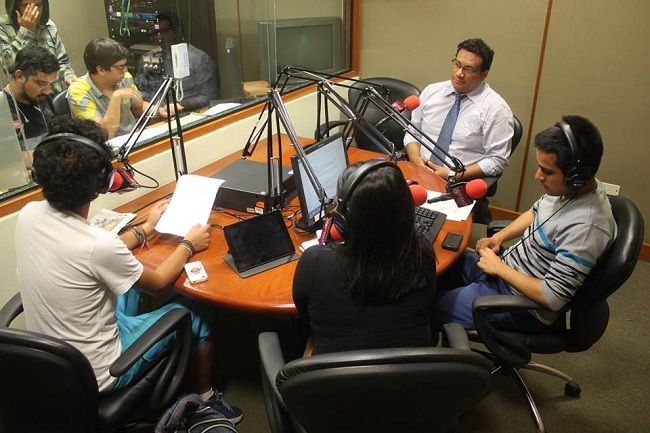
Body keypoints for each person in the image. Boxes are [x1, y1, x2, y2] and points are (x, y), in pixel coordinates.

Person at [14, 117, 243, 423]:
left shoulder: (29, 214)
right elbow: (158, 283)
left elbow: (91, 254)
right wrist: (189, 244)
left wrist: (146, 228)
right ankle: (205, 399)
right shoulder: (98, 246)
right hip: (100, 373)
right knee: (197, 310)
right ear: (102, 182)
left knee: (131, 286)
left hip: (55, 360)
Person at [432, 115, 616, 331]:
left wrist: (499, 268)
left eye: (547, 171)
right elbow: (535, 212)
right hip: (506, 269)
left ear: (575, 176)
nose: (538, 176)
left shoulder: (586, 227)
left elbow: (553, 297)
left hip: (520, 304)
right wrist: (499, 237)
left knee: (425, 308)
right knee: (428, 273)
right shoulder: (571, 189)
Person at [292, 160, 437, 355]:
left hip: (335, 372)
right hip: (412, 371)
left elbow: (304, 311)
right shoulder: (423, 253)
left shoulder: (315, 261)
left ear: (343, 220)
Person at [404, 38, 514, 222]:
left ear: (484, 74)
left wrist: (451, 174)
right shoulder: (432, 92)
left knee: (435, 227)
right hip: (418, 175)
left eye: (468, 69)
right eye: (457, 64)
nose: (459, 73)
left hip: (458, 185)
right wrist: (416, 160)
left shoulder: (496, 109)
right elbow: (413, 132)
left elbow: (497, 160)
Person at [68, 38, 171, 139]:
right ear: (101, 70)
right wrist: (116, 97)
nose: (125, 70)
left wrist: (159, 110)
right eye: (120, 67)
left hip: (132, 138)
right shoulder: (78, 91)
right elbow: (104, 135)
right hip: (104, 146)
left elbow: (138, 107)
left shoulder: (125, 78)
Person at [135, 11, 219, 112]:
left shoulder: (198, 59)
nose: (159, 37)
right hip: (155, 113)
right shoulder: (149, 58)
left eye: (163, 32)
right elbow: (142, 91)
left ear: (177, 31)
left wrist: (179, 106)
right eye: (155, 33)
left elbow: (209, 96)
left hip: (187, 113)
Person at [0, 0, 76, 94]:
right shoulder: (3, 27)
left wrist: (68, 76)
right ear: (16, 6)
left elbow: (62, 61)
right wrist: (26, 30)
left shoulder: (49, 25)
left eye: (38, 5)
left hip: (53, 94)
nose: (34, 12)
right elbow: (9, 68)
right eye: (27, 5)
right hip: (27, 98)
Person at [2, 44, 57, 152]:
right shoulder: (3, 110)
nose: (47, 91)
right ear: (19, 76)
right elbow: (7, 158)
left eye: (51, 84)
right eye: (41, 84)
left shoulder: (44, 97)